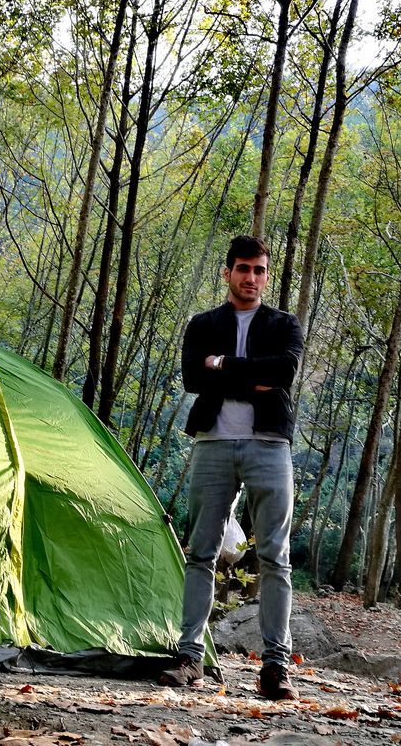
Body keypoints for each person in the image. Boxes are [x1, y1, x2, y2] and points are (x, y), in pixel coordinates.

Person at [159, 235, 303, 700]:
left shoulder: (284, 324)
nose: (251, 278)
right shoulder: (202, 324)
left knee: (275, 557)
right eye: (243, 268)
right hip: (213, 444)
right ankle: (189, 658)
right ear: (227, 273)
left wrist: (224, 366)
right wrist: (248, 375)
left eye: (259, 270)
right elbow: (193, 378)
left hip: (269, 445)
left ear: (266, 274)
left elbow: (283, 373)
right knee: (200, 552)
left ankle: (275, 668)